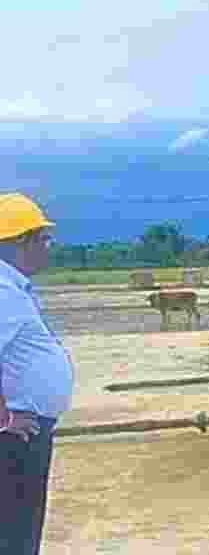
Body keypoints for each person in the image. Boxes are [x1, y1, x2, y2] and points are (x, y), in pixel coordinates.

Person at [0, 193, 75, 554]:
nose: (48, 248)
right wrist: (3, 419)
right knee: (15, 533)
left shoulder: (11, 288)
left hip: (22, 430)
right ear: (21, 242)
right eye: (43, 239)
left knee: (20, 529)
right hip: (15, 434)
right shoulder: (2, 292)